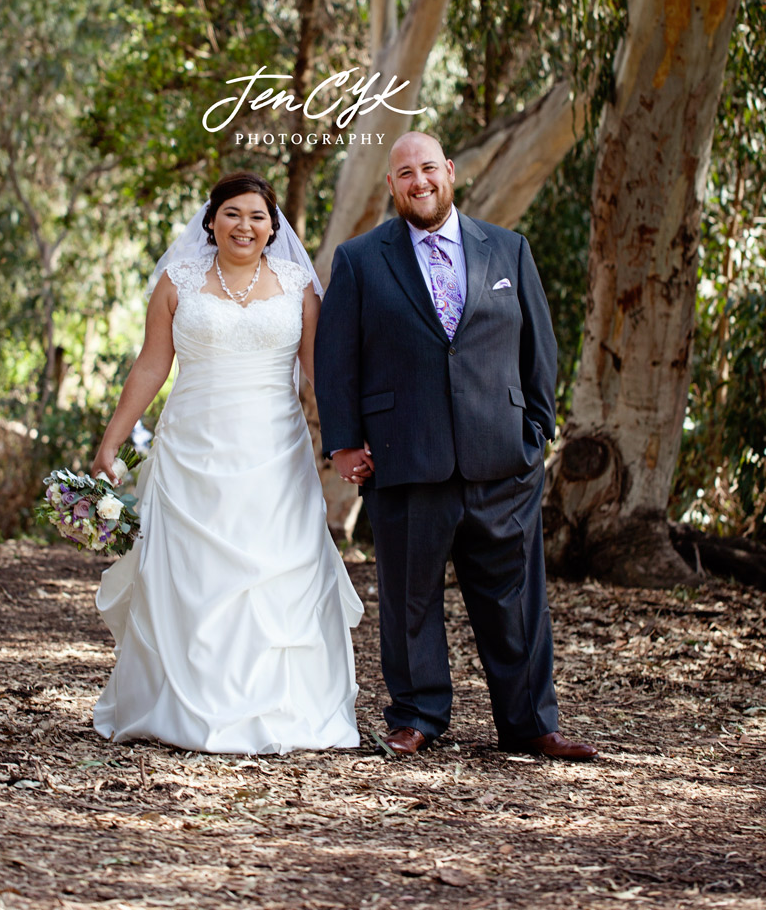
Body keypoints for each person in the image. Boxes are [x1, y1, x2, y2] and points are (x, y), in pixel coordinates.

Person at [314, 131, 596, 760]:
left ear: (449, 172)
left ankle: (530, 723)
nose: (419, 182)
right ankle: (417, 716)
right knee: (409, 601)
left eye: (428, 169)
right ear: (391, 185)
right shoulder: (360, 259)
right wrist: (342, 445)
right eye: (405, 173)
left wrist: (536, 435)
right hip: (404, 457)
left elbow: (539, 350)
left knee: (517, 602)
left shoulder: (509, 249)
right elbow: (337, 363)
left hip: (504, 462)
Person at [90, 171, 362, 754]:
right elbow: (150, 366)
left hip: (274, 452)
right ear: (211, 222)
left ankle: (285, 709)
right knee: (192, 576)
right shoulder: (177, 281)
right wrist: (110, 442)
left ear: (273, 226)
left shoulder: (298, 284)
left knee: (276, 570)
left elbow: (319, 370)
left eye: (258, 216)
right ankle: (184, 706)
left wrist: (353, 434)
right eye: (233, 214)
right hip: (191, 449)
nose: (245, 225)